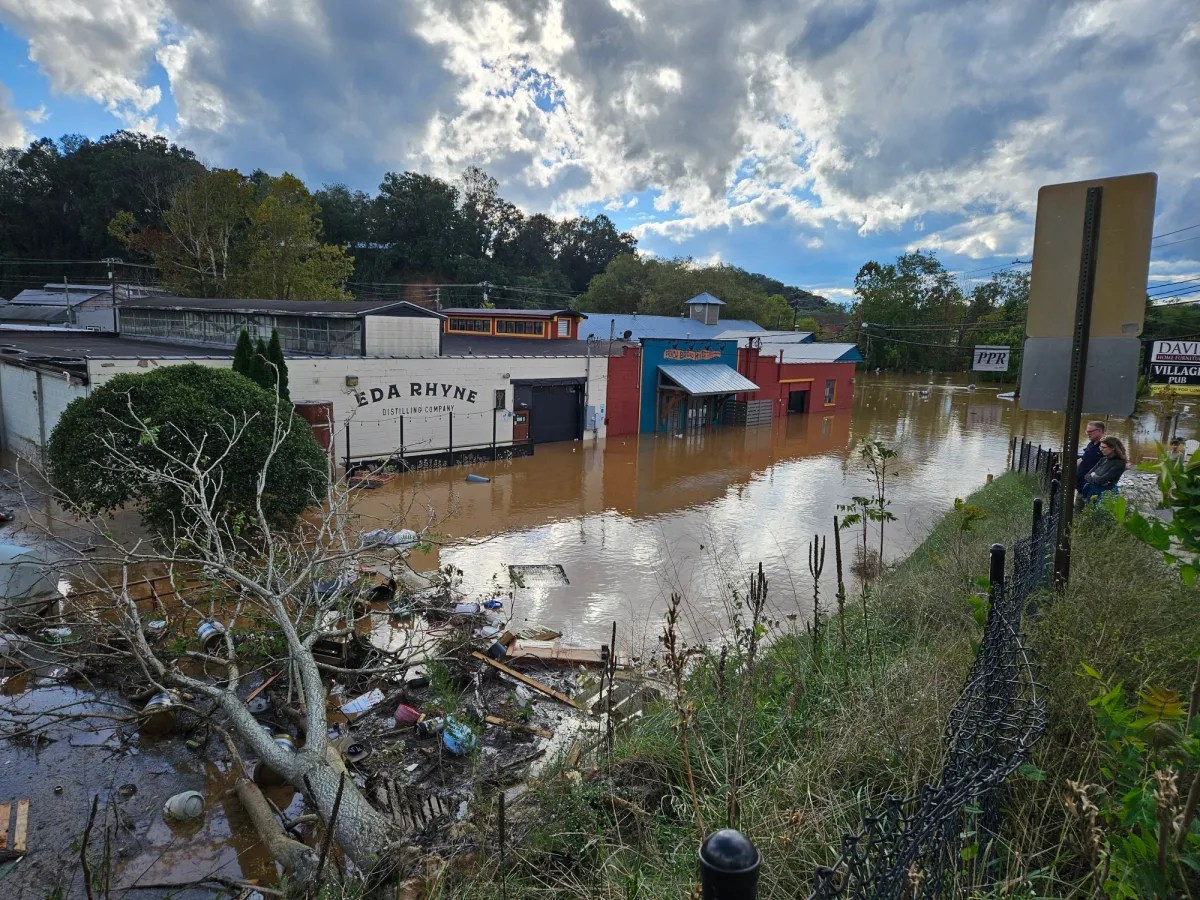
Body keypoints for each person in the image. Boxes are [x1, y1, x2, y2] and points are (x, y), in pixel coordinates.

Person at [1081, 436, 1127, 502]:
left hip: (1106, 495)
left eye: (1104, 447)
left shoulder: (1120, 463)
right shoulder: (1103, 459)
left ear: (1113, 448)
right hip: (1092, 492)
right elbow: (1087, 476)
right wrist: (1097, 479)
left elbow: (1101, 480)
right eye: (1100, 447)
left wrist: (1093, 475)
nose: (1101, 449)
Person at [1077, 420, 1105, 492]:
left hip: (1093, 487)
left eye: (1090, 432)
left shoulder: (1106, 446)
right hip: (1081, 485)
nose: (1087, 434)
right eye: (1087, 431)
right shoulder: (1091, 444)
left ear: (1099, 431)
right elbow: (1083, 459)